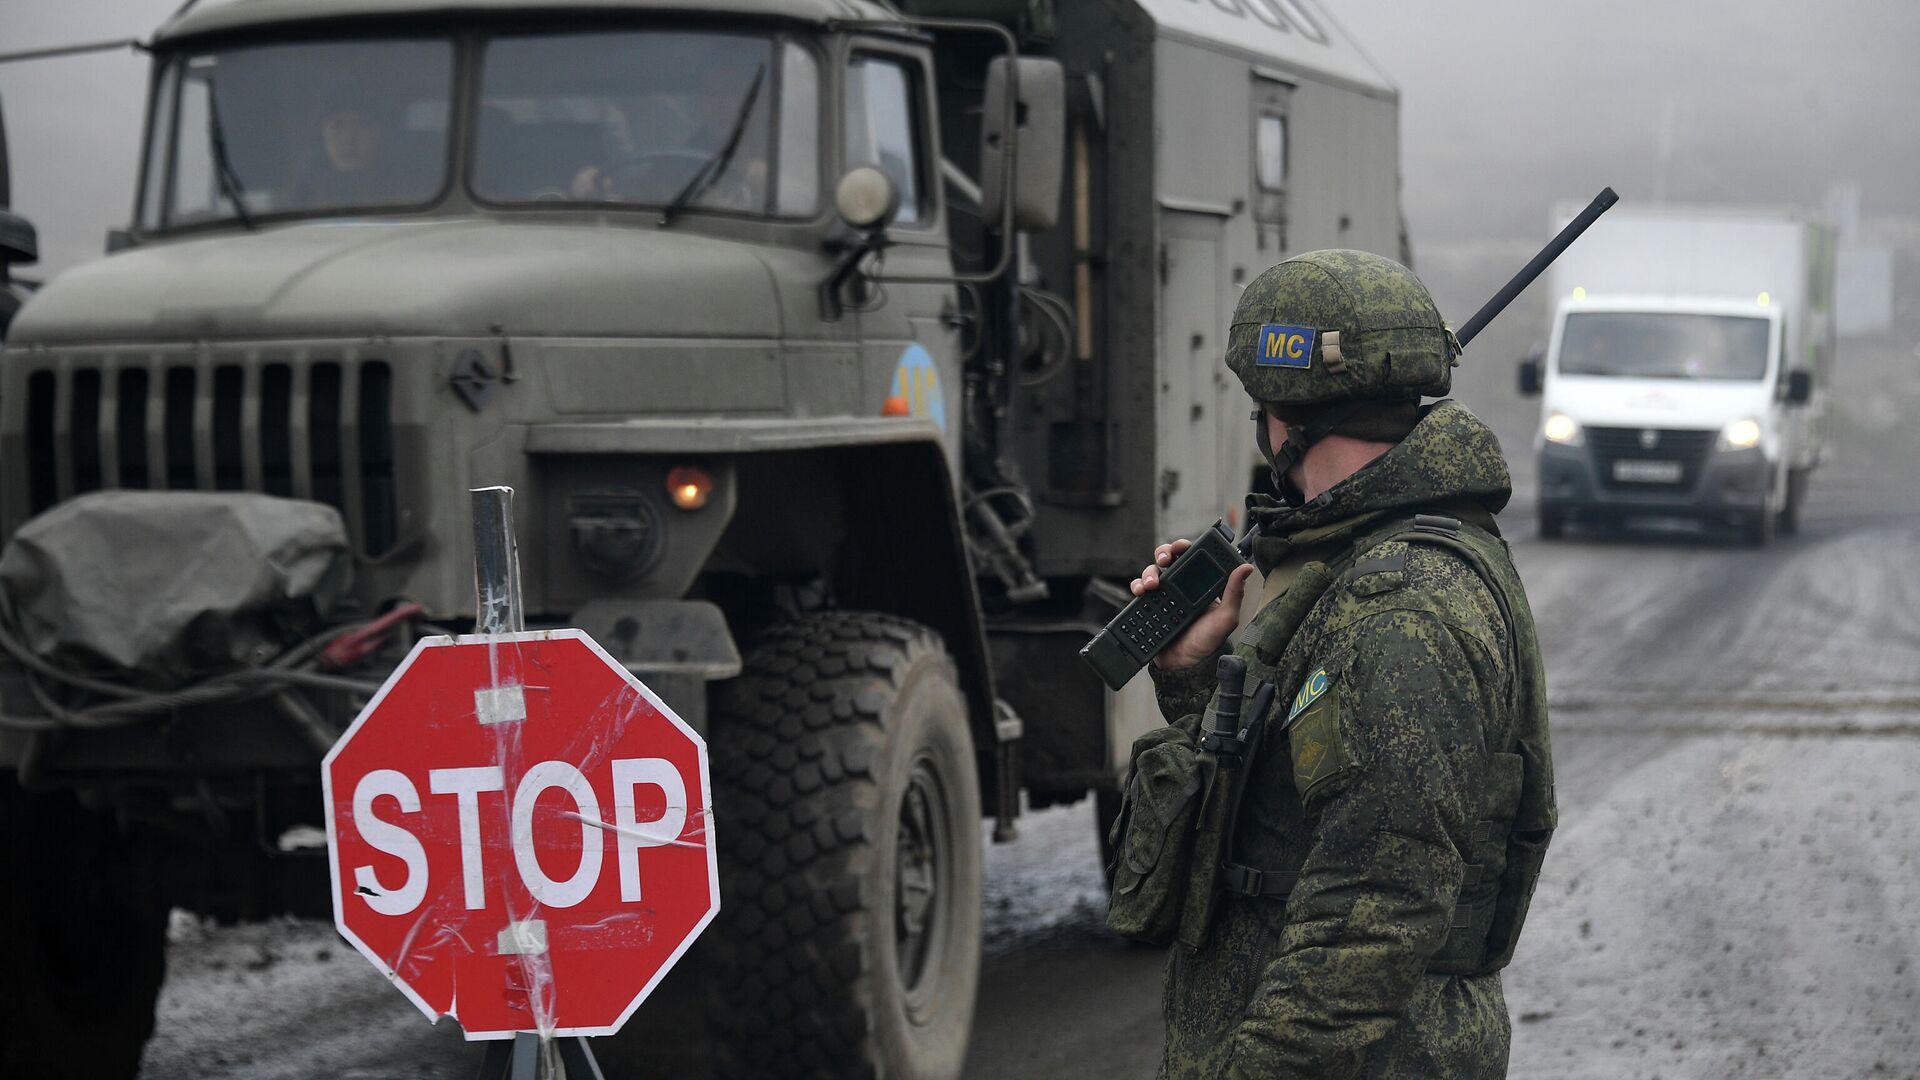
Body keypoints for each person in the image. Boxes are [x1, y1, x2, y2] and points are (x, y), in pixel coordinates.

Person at [1126, 249, 1556, 1079]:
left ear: (1283, 417)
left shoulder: (1404, 607)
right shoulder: (1351, 558)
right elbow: (1286, 810)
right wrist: (1193, 679)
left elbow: (1376, 915)